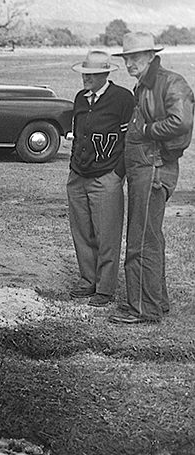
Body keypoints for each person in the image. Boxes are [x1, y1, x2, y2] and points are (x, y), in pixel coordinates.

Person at [108, 32, 194, 324]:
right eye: (126, 58)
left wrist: (147, 132)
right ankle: (157, 302)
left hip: (154, 168)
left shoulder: (170, 82)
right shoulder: (146, 84)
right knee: (150, 237)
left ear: (150, 56)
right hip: (146, 167)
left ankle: (143, 308)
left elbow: (181, 121)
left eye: (134, 58)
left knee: (141, 240)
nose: (129, 63)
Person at [66, 50, 134, 307]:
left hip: (106, 177)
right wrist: (73, 169)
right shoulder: (81, 98)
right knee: (82, 231)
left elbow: (129, 138)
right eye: (85, 74)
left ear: (105, 74)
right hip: (78, 176)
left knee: (107, 233)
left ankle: (105, 288)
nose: (86, 79)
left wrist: (118, 173)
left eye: (92, 75)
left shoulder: (122, 98)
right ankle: (88, 280)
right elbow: (78, 134)